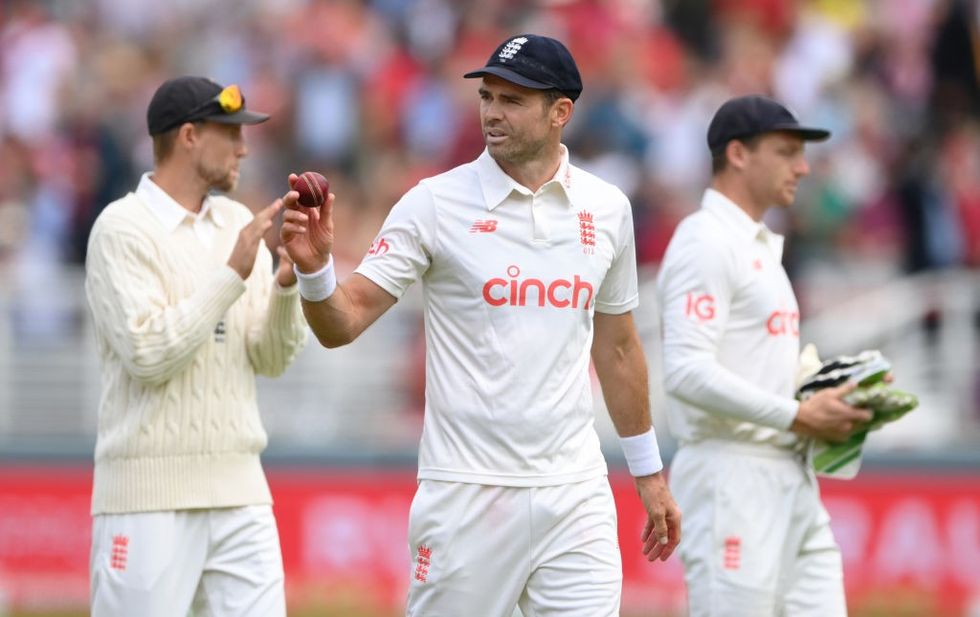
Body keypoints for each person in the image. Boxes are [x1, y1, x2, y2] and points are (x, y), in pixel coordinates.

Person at [280, 34, 680, 617]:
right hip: (466, 492)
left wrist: (649, 473)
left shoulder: (607, 208)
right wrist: (316, 271)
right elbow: (342, 323)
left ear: (560, 112)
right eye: (487, 97)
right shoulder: (434, 203)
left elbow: (618, 349)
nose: (492, 112)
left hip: (576, 493)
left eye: (512, 100)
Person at [84, 76, 308, 617]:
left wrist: (286, 285)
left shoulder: (237, 223)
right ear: (188, 136)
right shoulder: (121, 229)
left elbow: (271, 359)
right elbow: (148, 355)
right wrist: (231, 275)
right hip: (146, 499)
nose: (243, 148)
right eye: (230, 133)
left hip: (241, 493)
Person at [655, 95, 875, 616]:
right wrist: (797, 414)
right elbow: (686, 371)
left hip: (789, 472)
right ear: (738, 154)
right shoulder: (705, 241)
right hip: (730, 474)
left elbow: (753, 364)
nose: (803, 167)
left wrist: (830, 395)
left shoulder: (757, 246)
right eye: (786, 151)